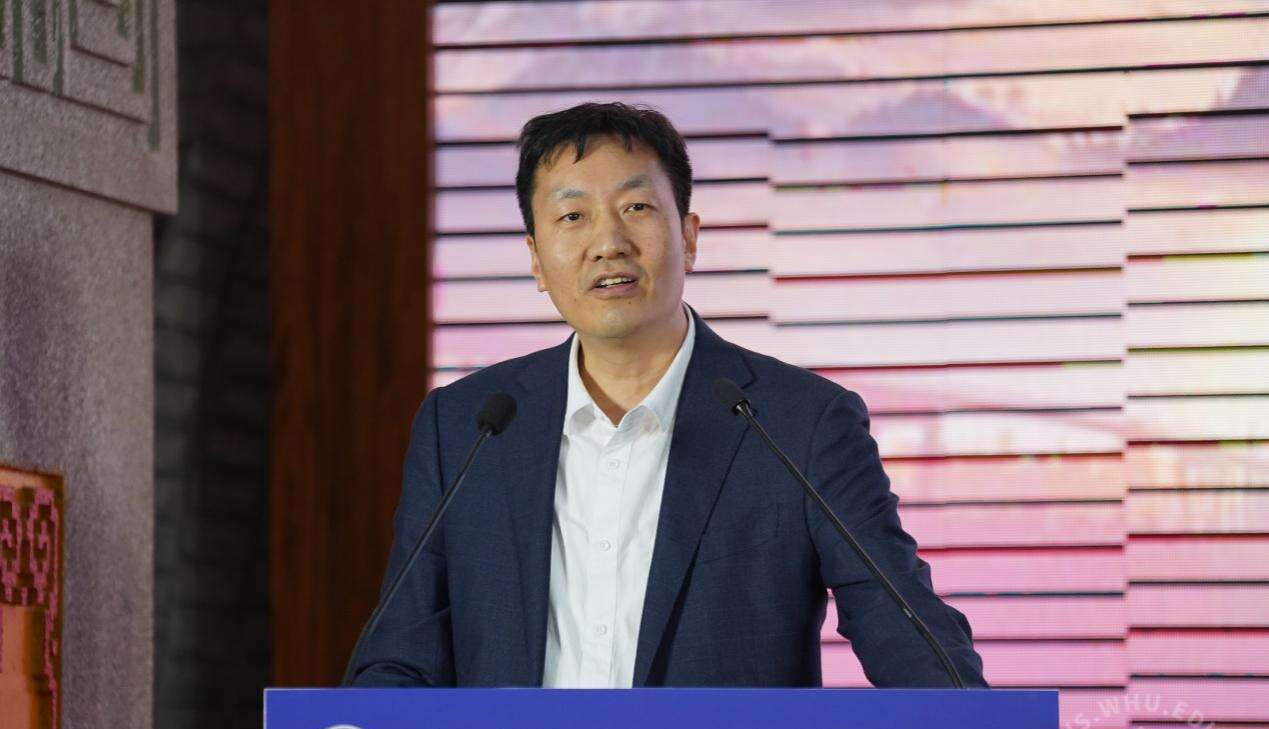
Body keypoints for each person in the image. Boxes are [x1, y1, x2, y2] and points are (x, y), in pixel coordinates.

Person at [350, 102, 987, 689]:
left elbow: (908, 633)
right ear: (536, 260)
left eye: (636, 207)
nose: (608, 243)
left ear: (688, 236)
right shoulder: (467, 426)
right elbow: (400, 655)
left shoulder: (800, 424)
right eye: (572, 216)